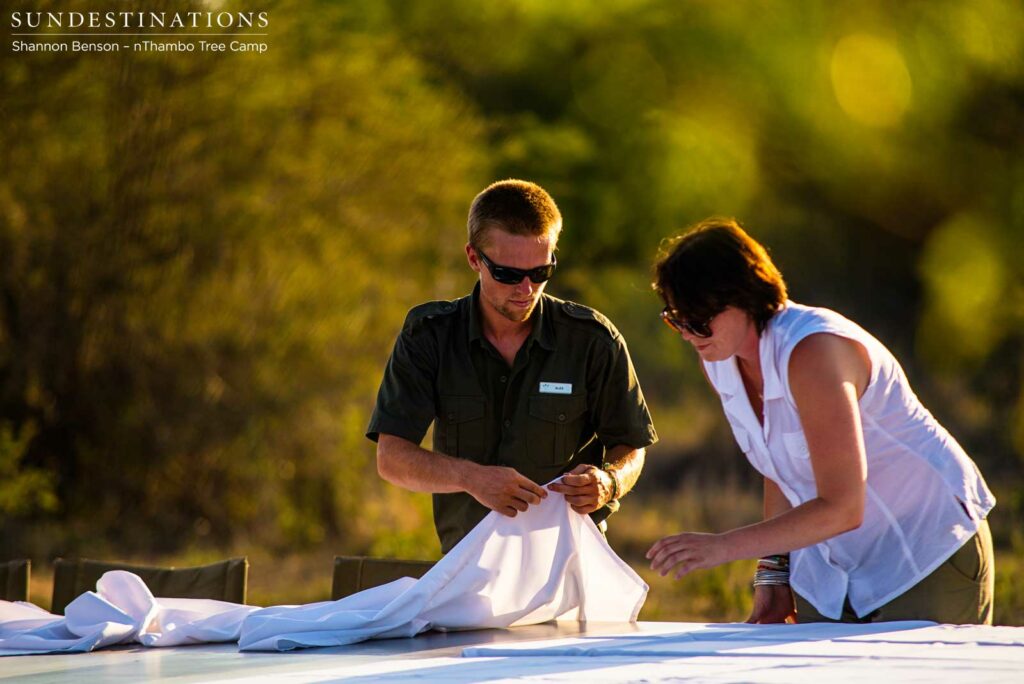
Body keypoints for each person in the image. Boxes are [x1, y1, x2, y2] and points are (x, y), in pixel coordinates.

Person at [647, 218, 995, 625]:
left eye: (699, 319)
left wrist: (722, 547)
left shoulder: (814, 352)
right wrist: (773, 572)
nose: (688, 334)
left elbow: (844, 507)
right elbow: (777, 467)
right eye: (675, 319)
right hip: (831, 567)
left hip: (925, 549)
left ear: (746, 296)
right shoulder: (720, 357)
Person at [368, 179, 658, 553]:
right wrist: (471, 478)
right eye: (507, 274)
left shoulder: (593, 340)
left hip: (570, 565)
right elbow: (391, 457)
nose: (525, 289)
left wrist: (610, 481)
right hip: (468, 568)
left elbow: (632, 446)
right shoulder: (429, 336)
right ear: (474, 258)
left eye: (540, 273)